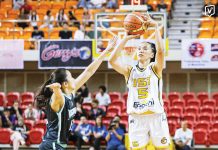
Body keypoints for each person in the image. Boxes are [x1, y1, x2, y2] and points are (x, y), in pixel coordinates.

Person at [36, 36, 117, 150]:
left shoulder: (70, 91)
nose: (74, 79)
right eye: (71, 77)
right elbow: (57, 95)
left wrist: (106, 51)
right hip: (51, 145)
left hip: (57, 145)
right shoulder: (58, 98)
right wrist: (56, 89)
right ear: (65, 84)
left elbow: (89, 71)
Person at [109, 14, 170, 150]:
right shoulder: (130, 70)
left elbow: (160, 51)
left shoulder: (155, 68)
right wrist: (126, 38)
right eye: (139, 48)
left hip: (156, 116)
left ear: (151, 55)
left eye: (145, 48)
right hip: (136, 118)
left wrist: (155, 28)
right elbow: (111, 61)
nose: (141, 50)